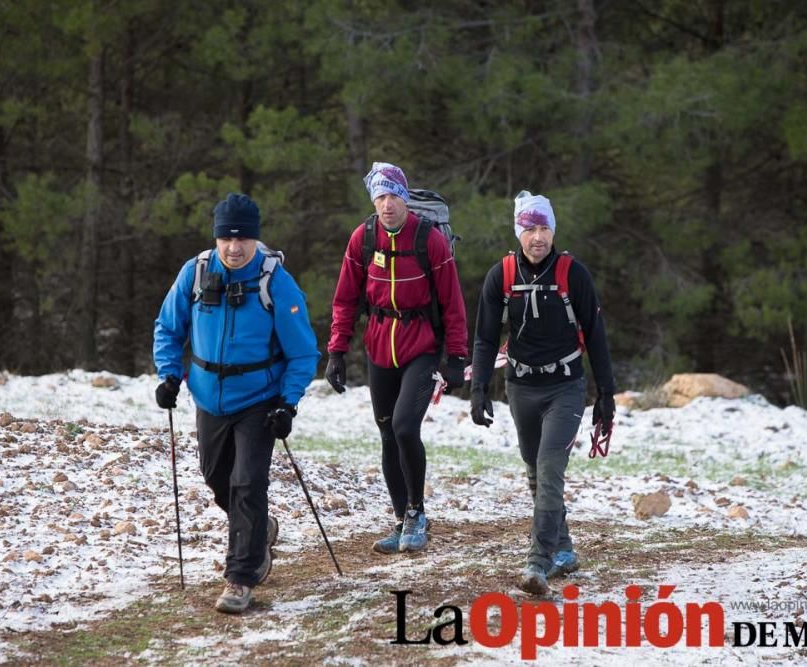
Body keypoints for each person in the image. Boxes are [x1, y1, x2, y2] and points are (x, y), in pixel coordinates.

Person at [153, 193, 319, 614]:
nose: (234, 247)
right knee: (216, 477)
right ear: (216, 238)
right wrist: (169, 374)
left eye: (243, 238)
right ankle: (258, 527)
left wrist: (288, 403)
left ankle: (241, 577)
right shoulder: (195, 273)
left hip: (259, 399)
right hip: (208, 396)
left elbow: (303, 352)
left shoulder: (274, 281)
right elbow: (168, 328)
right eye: (226, 238)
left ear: (255, 238)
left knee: (247, 482)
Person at [469, 191, 615, 595]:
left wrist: (606, 394)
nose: (538, 237)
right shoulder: (501, 275)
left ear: (553, 229)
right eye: (530, 228)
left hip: (566, 386)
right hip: (521, 386)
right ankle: (564, 549)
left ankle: (538, 561)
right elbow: (484, 337)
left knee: (550, 468)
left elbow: (597, 336)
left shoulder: (573, 273)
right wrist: (479, 388)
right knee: (536, 473)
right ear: (519, 231)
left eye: (544, 227)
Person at [325, 162, 468, 554]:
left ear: (404, 198)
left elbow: (453, 302)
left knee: (406, 427)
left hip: (421, 346)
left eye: (393, 196)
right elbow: (345, 298)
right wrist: (337, 350)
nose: (387, 205)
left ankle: (417, 513)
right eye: (380, 197)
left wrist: (455, 355)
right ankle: (399, 518)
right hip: (378, 348)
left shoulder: (428, 239)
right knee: (387, 432)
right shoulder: (363, 238)